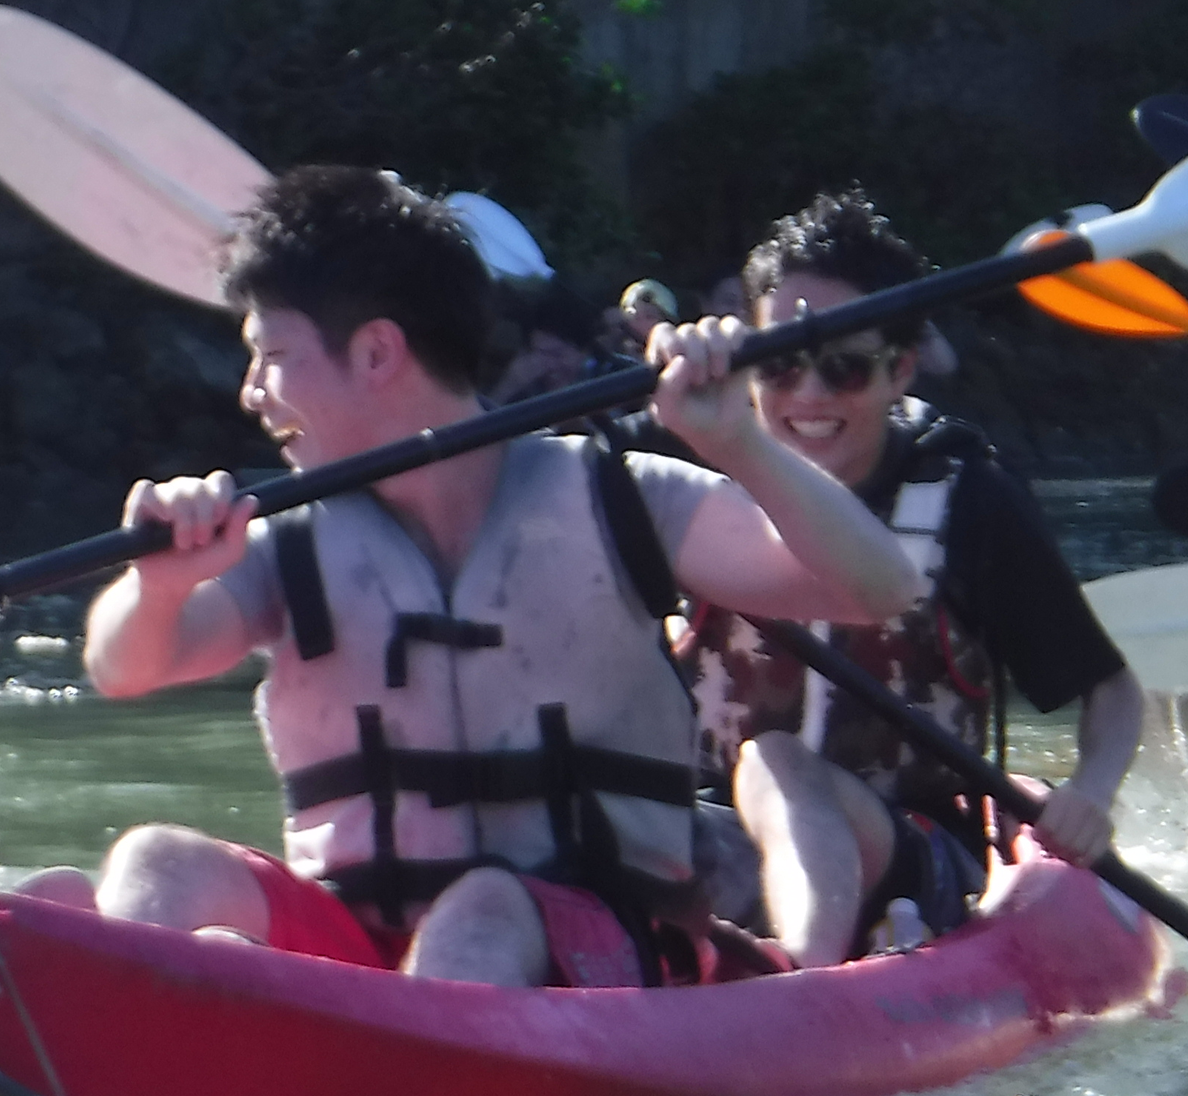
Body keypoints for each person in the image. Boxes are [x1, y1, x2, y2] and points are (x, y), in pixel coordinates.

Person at [50, 167, 926, 989]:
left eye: (271, 357)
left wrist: (736, 440)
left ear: (377, 353)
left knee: (485, 906)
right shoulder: (289, 542)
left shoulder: (622, 498)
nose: (251, 393)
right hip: (368, 951)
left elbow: (878, 588)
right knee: (155, 863)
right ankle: (152, 1067)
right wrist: (162, 584)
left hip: (599, 944)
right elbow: (123, 667)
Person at [675, 191, 1144, 968]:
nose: (808, 397)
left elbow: (1111, 689)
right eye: (779, 363)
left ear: (898, 370)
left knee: (778, 762)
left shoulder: (969, 504)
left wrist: (1091, 792)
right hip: (716, 838)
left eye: (843, 368)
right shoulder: (686, 470)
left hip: (911, 856)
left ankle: (805, 982)